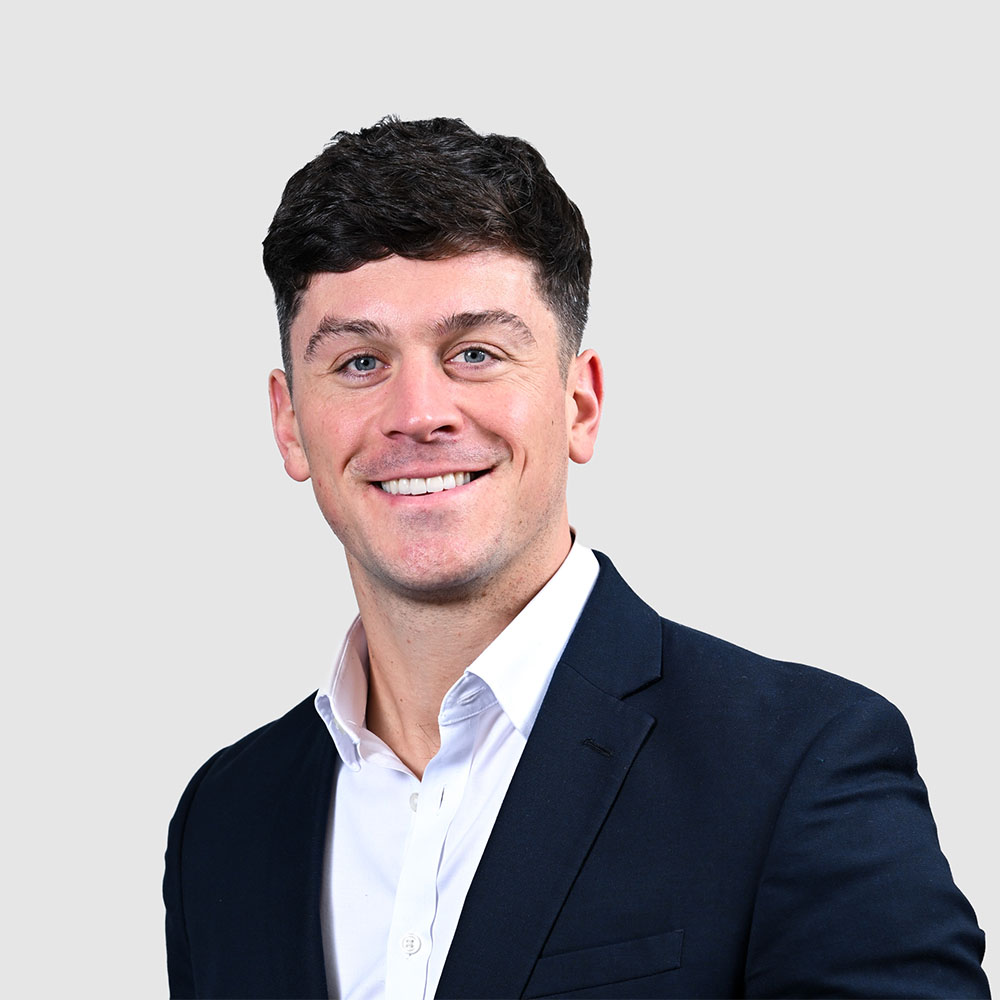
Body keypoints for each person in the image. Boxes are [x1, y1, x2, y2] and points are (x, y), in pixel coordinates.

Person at [163, 117, 989, 1000]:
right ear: (291, 423)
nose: (418, 413)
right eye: (361, 362)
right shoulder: (227, 819)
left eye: (474, 353)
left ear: (580, 404)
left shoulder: (796, 767)